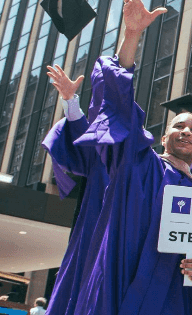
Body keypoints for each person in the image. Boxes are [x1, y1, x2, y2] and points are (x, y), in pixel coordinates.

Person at [67, 0, 192, 315]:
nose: (186, 131)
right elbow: (118, 110)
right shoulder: (141, 166)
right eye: (178, 126)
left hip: (178, 299)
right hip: (123, 287)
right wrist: (132, 36)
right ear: (163, 137)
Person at [41, 65, 109, 315]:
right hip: (97, 242)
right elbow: (84, 137)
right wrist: (71, 101)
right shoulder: (105, 160)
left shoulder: (153, 167)